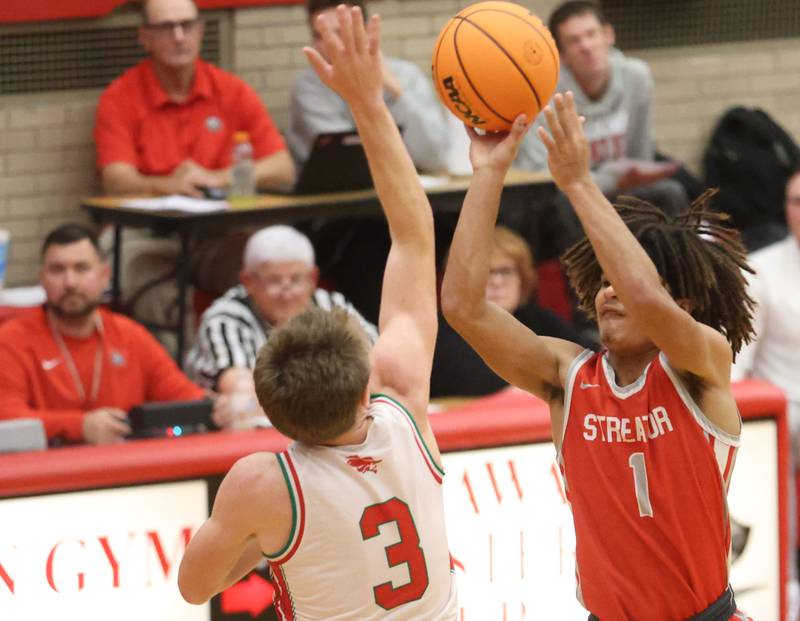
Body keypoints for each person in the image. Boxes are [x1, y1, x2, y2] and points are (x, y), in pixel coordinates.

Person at [178, 7, 457, 618]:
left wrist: (262, 538)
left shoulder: (262, 482)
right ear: (363, 388)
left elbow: (194, 588)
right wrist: (369, 103)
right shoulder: (403, 410)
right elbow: (414, 233)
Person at [441, 92, 754, 619]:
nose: (611, 291)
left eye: (621, 281)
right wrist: (488, 175)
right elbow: (462, 307)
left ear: (683, 305)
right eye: (603, 282)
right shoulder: (567, 377)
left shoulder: (700, 363)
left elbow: (646, 298)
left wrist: (579, 184)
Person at [0, 224, 205, 446]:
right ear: (42, 278)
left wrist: (219, 407)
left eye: (81, 268)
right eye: (57, 270)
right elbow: (7, 419)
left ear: (104, 275)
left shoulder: (130, 335)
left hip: (126, 461)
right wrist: (80, 426)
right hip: (45, 464)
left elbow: (185, 397)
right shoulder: (11, 340)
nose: (70, 282)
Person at [512, 1, 688, 257]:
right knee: (564, 205)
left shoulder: (636, 76)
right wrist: (610, 179)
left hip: (623, 188)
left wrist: (630, 176)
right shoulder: (543, 93)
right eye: (574, 41)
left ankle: (676, 276)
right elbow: (541, 177)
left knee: (672, 192)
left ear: (608, 35)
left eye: (591, 34)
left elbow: (640, 155)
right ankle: (589, 281)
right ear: (562, 55)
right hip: (570, 192)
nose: (586, 46)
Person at [185, 224, 377, 429]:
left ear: (313, 278)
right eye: (274, 281)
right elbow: (244, 398)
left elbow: (378, 368)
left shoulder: (332, 306)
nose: (287, 293)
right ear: (248, 281)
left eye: (296, 279)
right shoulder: (225, 319)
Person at [94, 0, 294, 197]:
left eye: (187, 25)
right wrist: (167, 186)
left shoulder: (233, 90)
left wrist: (216, 178)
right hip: (150, 214)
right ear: (145, 37)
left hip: (225, 212)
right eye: (166, 27)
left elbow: (283, 169)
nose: (179, 37)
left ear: (200, 31)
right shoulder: (119, 97)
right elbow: (115, 181)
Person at [732, 168, 800, 621]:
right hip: (785, 414)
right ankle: (787, 593)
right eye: (796, 201)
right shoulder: (760, 270)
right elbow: (737, 365)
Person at [430, 225, 595, 398]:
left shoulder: (538, 319)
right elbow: (474, 384)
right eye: (486, 272)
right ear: (460, 281)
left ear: (522, 279)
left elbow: (592, 364)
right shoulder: (438, 332)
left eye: (506, 271)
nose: (497, 282)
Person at [287, 0, 448, 173]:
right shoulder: (309, 87)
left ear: (363, 30)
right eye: (319, 36)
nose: (329, 44)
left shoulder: (406, 74)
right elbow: (349, 161)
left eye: (340, 33)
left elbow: (434, 156)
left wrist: (395, 90)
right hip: (345, 188)